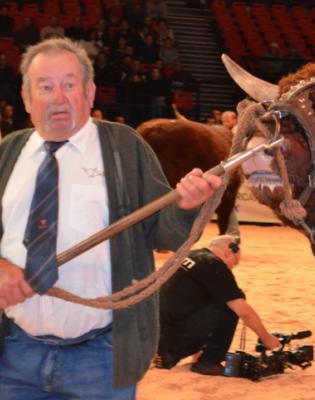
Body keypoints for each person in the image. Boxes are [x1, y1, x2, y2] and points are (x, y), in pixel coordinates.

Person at [0, 38, 221, 398]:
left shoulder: (124, 148)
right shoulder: (8, 152)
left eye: (69, 84)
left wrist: (185, 206)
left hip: (100, 358)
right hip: (14, 356)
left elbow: (163, 233)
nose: (58, 96)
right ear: (26, 98)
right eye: (45, 86)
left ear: (89, 93)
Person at [156, 235, 280, 375]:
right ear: (228, 252)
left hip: (158, 337)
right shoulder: (213, 264)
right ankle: (209, 361)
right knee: (232, 302)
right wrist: (266, 338)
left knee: (215, 297)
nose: (232, 268)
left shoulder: (192, 254)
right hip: (174, 339)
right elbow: (243, 311)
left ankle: (181, 354)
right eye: (235, 262)